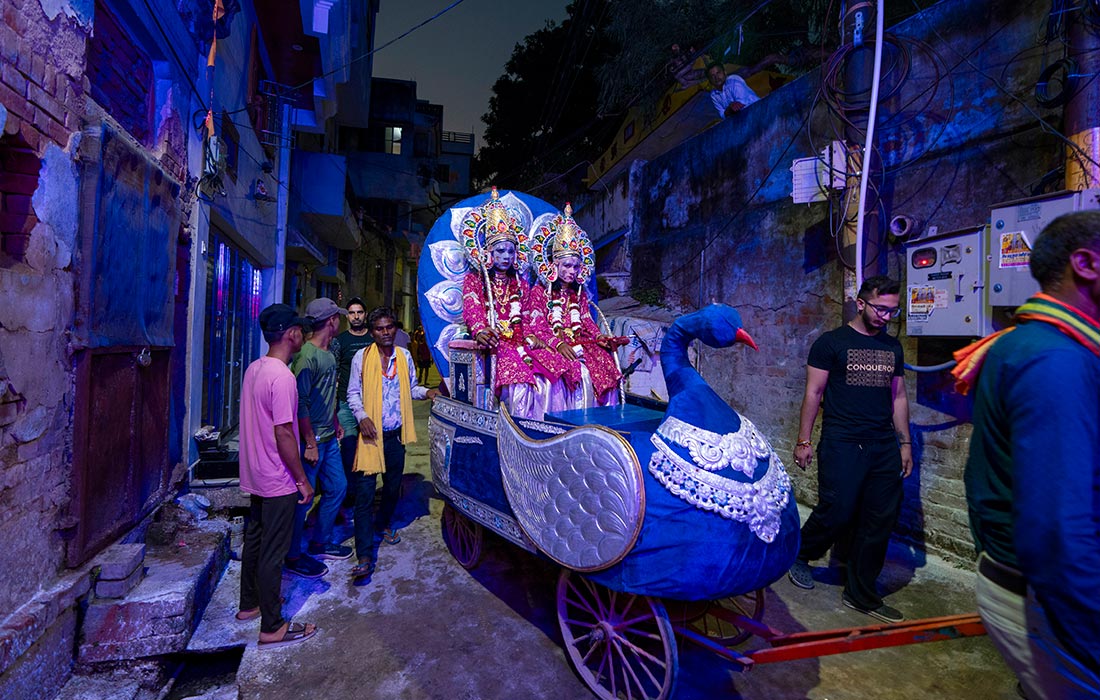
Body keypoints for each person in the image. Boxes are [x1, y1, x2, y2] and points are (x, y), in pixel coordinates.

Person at [955, 211, 1100, 698]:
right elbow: (1058, 531)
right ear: (1086, 264)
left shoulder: (1038, 344)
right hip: (1047, 594)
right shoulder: (1055, 360)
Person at [787, 275, 912, 624]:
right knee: (838, 509)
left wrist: (904, 443)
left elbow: (898, 396)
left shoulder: (892, 348)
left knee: (879, 519)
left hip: (883, 443)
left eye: (893, 311)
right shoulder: (831, 343)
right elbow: (813, 394)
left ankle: (861, 593)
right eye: (880, 309)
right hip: (842, 440)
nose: (887, 317)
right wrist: (803, 440)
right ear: (860, 303)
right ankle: (801, 553)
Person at [237, 303, 317, 648]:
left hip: (255, 473)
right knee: (274, 552)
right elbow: (285, 433)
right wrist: (301, 479)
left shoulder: (255, 368)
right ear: (292, 334)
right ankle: (272, 626)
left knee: (254, 540)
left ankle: (248, 605)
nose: (303, 334)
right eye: (300, 328)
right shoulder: (283, 377)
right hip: (278, 477)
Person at [345, 307, 440, 578]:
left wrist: (429, 392)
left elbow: (410, 388)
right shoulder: (361, 358)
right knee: (364, 495)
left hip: (395, 435)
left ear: (395, 329)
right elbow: (352, 393)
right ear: (372, 331)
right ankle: (364, 555)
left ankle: (384, 524)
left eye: (389, 327)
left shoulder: (404, 356)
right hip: (369, 437)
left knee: (391, 487)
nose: (385, 333)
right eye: (379, 328)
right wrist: (362, 416)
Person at [461, 186, 554, 418]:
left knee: (552, 369)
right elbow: (473, 311)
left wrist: (535, 337)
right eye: (500, 250)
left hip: (521, 342)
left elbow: (527, 318)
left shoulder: (522, 286)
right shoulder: (476, 280)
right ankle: (517, 430)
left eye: (511, 252)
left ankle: (542, 427)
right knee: (520, 377)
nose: (506, 257)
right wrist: (481, 329)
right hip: (494, 344)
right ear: (488, 252)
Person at [527, 203, 625, 410]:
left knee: (605, 363)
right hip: (550, 344)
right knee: (567, 369)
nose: (572, 271)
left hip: (578, 341)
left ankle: (604, 416)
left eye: (576, 266)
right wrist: (558, 344)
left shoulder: (577, 293)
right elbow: (538, 327)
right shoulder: (539, 292)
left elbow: (586, 319)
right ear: (554, 265)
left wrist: (599, 337)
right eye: (567, 266)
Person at [285, 297, 351, 579]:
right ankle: (292, 555)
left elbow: (327, 394)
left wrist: (335, 420)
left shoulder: (328, 353)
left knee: (338, 487)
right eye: (338, 317)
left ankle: (320, 542)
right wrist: (310, 442)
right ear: (331, 321)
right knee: (304, 499)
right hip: (312, 442)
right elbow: (301, 403)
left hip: (327, 437)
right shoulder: (307, 356)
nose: (340, 321)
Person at [331, 297, 373, 501]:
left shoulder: (374, 339)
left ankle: (365, 491)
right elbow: (334, 372)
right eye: (352, 313)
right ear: (347, 316)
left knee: (368, 447)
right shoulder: (340, 341)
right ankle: (349, 493)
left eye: (360, 312)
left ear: (365, 314)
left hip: (371, 403)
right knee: (348, 447)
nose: (356, 316)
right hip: (346, 403)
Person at [706, 53, 785, 118]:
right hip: (744, 121)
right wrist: (730, 109)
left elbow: (742, 105)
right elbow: (723, 116)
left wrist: (730, 109)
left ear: (725, 73)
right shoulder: (713, 95)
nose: (716, 77)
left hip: (759, 111)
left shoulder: (733, 80)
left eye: (718, 73)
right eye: (712, 76)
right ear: (710, 81)